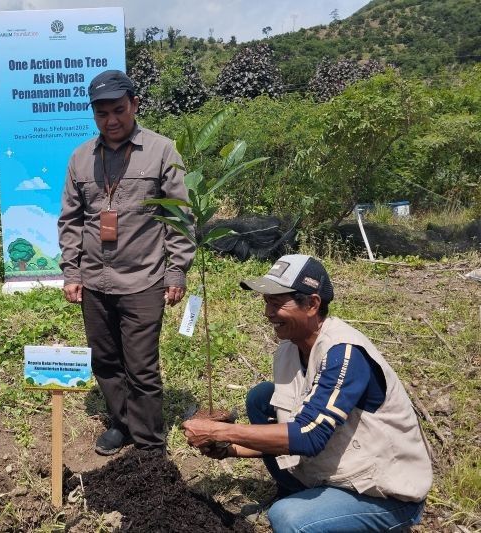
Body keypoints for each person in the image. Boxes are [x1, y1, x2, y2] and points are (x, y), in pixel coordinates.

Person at [182, 254, 432, 531]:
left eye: (276, 303)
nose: (267, 313)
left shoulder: (344, 353)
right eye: (266, 302)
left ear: (312, 304)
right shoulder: (290, 348)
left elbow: (309, 436)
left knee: (289, 518)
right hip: (337, 468)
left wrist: (218, 432)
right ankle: (297, 492)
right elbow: (289, 425)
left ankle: (322, 514)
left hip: (382, 492)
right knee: (262, 398)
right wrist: (230, 449)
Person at [58, 70, 195, 455]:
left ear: (134, 105)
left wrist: (177, 269)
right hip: (94, 281)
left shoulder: (161, 151)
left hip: (143, 279)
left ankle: (150, 443)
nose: (111, 120)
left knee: (142, 367)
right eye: (101, 113)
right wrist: (71, 270)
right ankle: (121, 423)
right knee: (105, 361)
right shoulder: (81, 157)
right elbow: (70, 219)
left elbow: (180, 215)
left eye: (119, 110)